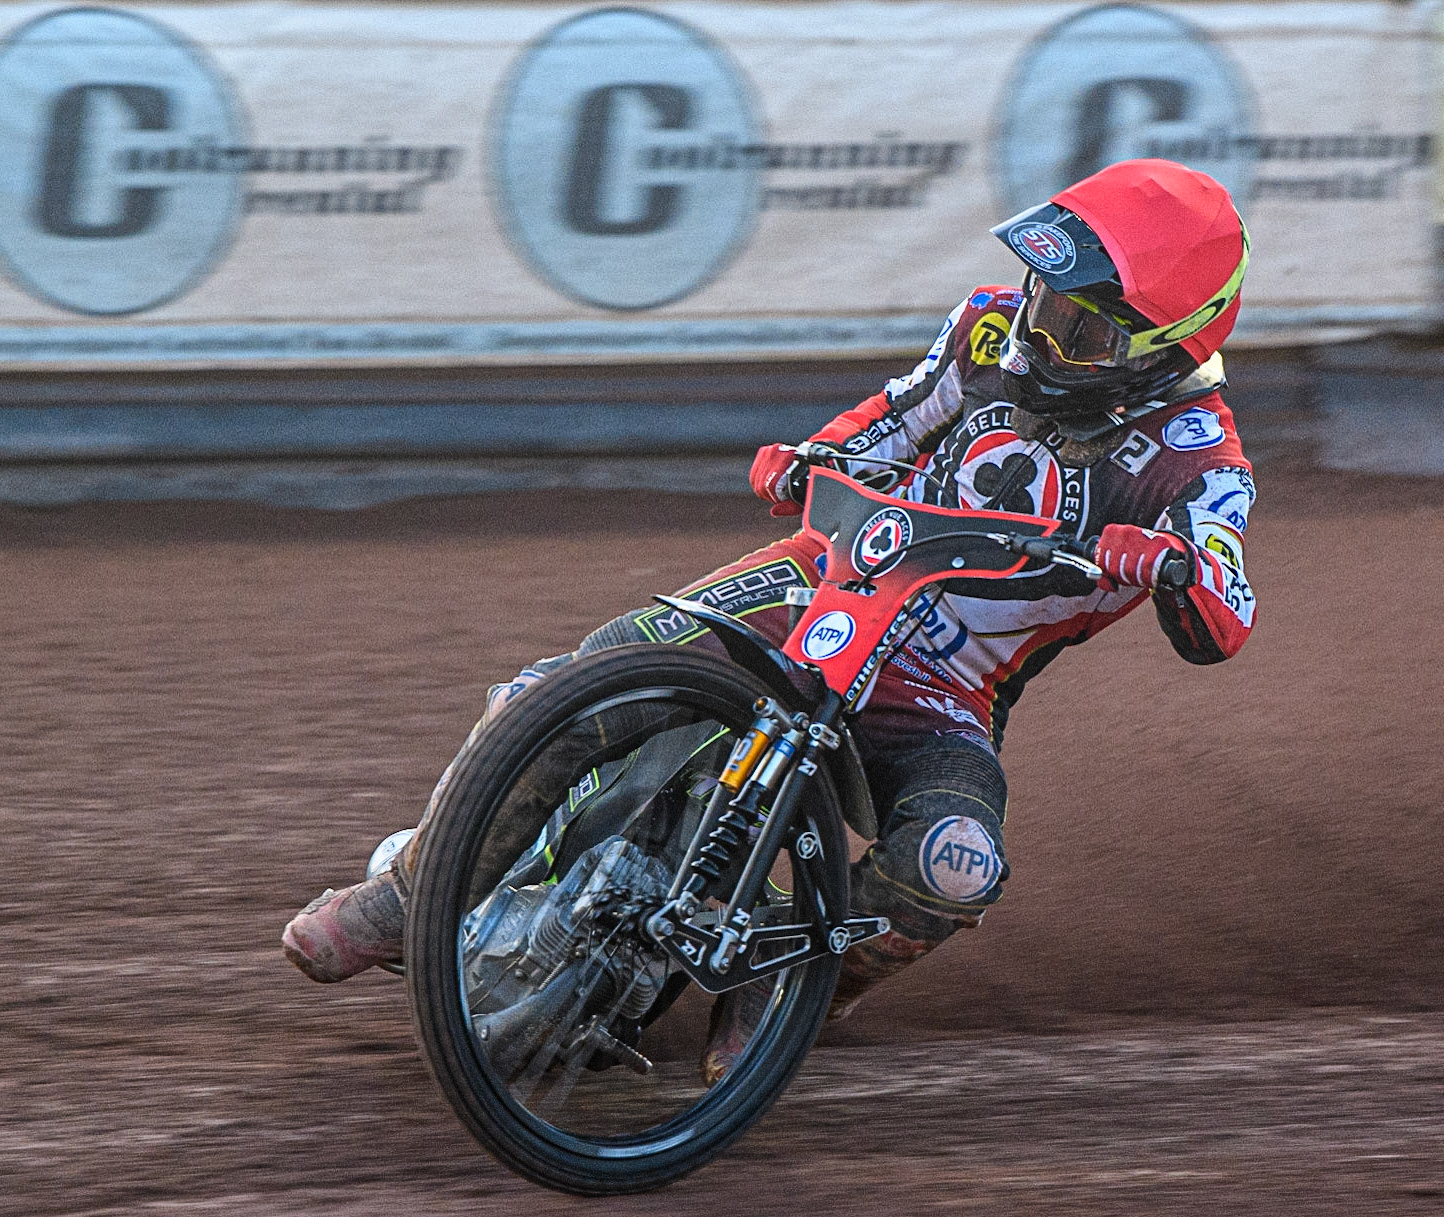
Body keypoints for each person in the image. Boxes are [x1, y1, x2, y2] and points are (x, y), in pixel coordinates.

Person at [283, 157, 1258, 1081]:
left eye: (1080, 330)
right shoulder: (988, 328)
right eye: (1045, 300)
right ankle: (410, 892)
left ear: (1165, 345)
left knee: (954, 866)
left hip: (944, 692)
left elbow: (1226, 607)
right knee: (581, 680)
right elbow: (892, 419)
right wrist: (808, 456)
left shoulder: (1200, 460)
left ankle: (798, 985)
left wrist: (1171, 562)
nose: (1041, 336)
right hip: (824, 580)